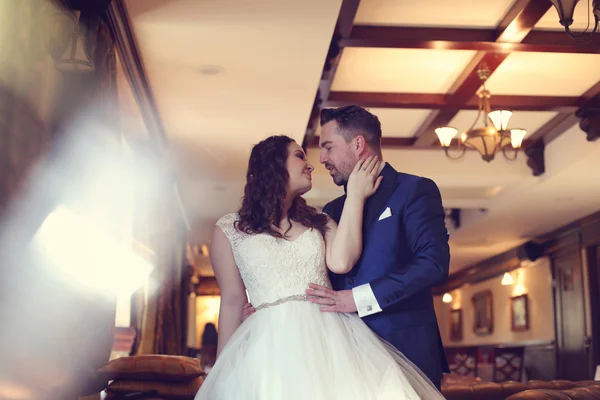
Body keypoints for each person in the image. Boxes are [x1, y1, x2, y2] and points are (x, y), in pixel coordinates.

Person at [194, 135, 444, 399]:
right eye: (300, 155)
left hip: (330, 339)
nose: (311, 165)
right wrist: (222, 373)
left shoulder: (319, 221)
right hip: (268, 346)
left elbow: (342, 262)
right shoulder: (229, 229)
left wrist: (356, 196)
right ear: (274, 164)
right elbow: (232, 302)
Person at [241, 105, 451, 389]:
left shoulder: (414, 190)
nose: (322, 159)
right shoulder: (331, 211)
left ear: (358, 144)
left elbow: (433, 264)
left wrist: (359, 298)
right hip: (340, 355)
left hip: (405, 348)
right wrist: (270, 311)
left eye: (328, 147)